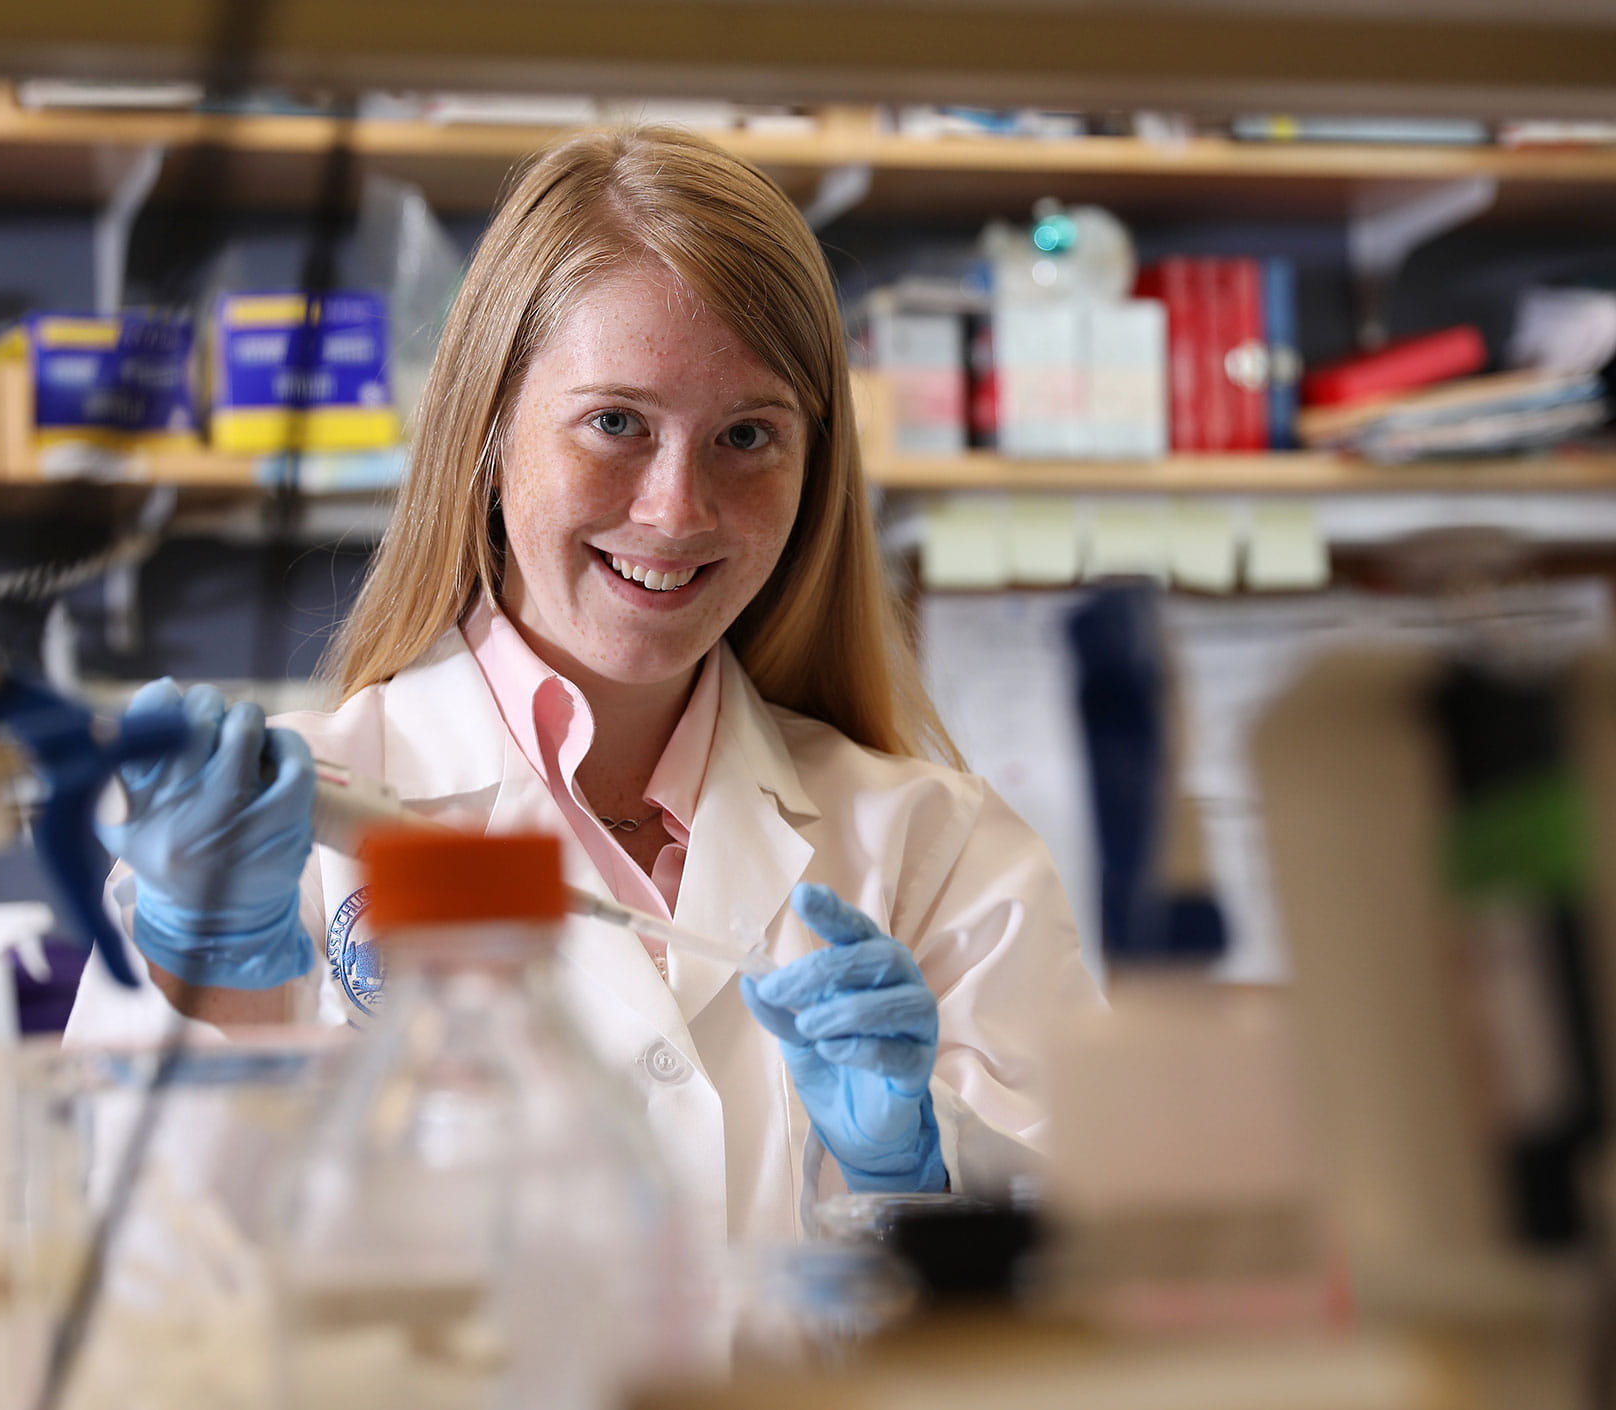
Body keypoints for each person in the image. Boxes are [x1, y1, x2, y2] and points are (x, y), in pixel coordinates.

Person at [65, 126, 1099, 1242]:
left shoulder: (939, 858)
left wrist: (919, 1165)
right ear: (491, 429)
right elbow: (129, 1305)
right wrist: (206, 982)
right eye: (614, 422)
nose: (675, 510)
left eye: (747, 435)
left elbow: (1102, 1296)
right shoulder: (279, 842)